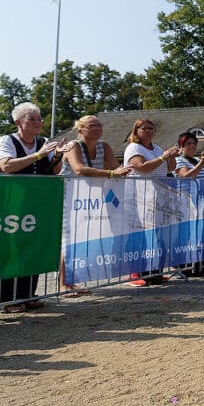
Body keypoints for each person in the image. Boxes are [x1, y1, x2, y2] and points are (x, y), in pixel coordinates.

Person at [0, 102, 69, 313]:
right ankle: (8, 299)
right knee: (11, 248)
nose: (38, 122)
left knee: (32, 245)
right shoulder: (7, 140)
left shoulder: (44, 142)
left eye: (39, 118)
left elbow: (54, 171)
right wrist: (38, 155)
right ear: (18, 122)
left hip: (36, 203)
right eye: (32, 119)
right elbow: (6, 165)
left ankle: (28, 294)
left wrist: (57, 155)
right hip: (12, 203)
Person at [58, 115, 132, 296]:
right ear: (81, 130)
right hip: (69, 196)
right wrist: (111, 173)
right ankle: (62, 284)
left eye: (99, 125)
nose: (98, 128)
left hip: (89, 198)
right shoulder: (74, 145)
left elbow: (116, 168)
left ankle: (72, 281)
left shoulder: (104, 146)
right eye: (92, 125)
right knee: (68, 239)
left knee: (81, 237)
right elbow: (79, 169)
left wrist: (125, 171)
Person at [124, 119, 182, 287]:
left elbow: (170, 168)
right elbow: (141, 167)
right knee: (141, 235)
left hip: (157, 196)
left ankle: (154, 271)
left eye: (151, 128)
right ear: (136, 131)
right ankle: (136, 273)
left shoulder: (156, 148)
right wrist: (163, 156)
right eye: (145, 128)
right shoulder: (134, 148)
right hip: (139, 195)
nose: (149, 131)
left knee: (157, 234)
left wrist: (170, 157)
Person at [173, 131, 204, 276]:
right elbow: (186, 176)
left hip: (201, 201)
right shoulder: (179, 160)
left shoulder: (198, 159)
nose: (192, 146)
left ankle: (203, 263)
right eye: (188, 144)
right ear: (181, 146)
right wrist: (202, 164)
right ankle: (185, 264)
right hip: (186, 202)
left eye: (194, 143)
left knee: (201, 233)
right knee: (187, 233)